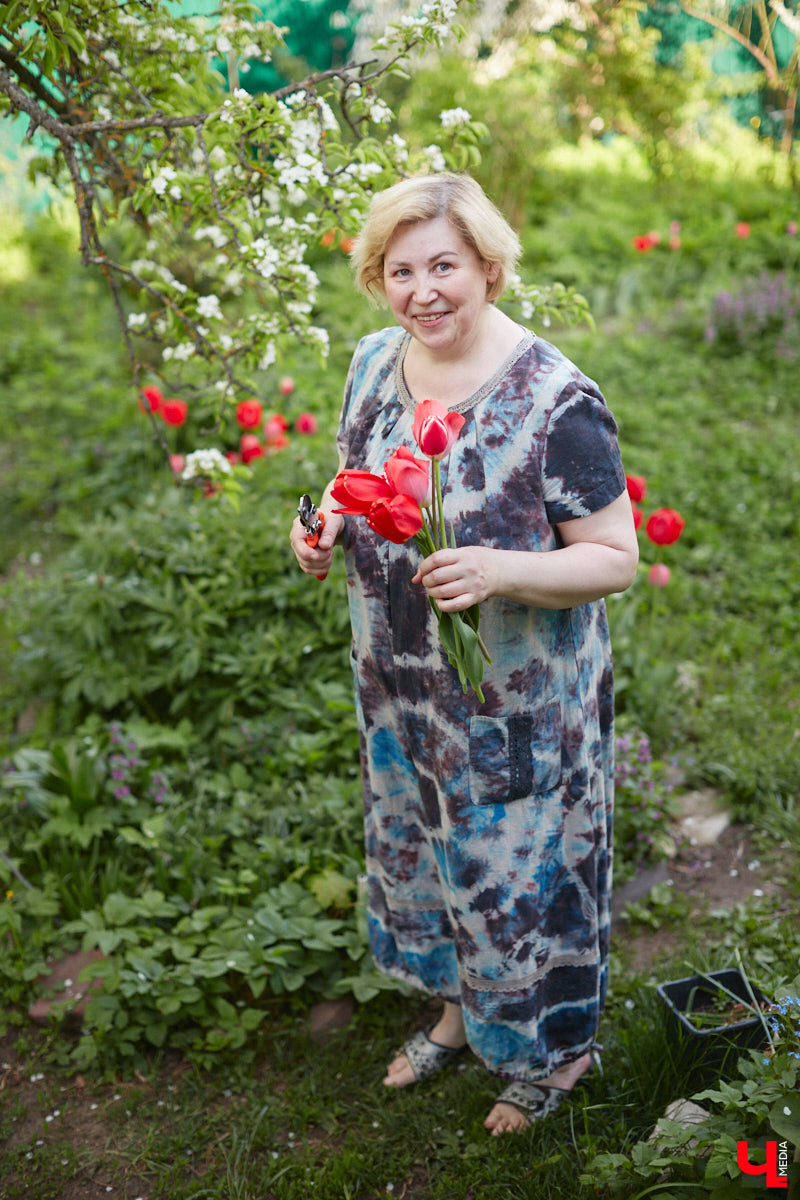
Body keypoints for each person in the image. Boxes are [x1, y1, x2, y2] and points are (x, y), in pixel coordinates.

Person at [289, 172, 638, 1135]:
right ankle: (459, 1014)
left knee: (523, 870)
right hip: (402, 692)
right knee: (434, 854)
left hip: (513, 705)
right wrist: (318, 534)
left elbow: (617, 560)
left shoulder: (555, 398)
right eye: (401, 270)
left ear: (488, 266)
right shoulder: (372, 363)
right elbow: (356, 481)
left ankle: (556, 1053)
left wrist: (497, 569)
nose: (423, 290)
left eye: (444, 264)